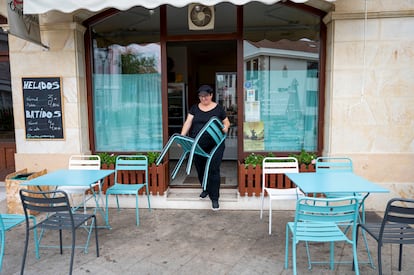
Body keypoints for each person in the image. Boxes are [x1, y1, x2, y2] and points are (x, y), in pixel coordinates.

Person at [180, 85, 230, 210]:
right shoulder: (194, 108)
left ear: (211, 95)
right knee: (201, 168)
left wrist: (226, 127)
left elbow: (227, 121)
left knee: (213, 169)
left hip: (216, 145)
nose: (203, 98)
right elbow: (188, 122)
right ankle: (205, 188)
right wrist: (182, 136)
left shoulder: (218, 109)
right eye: (201, 96)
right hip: (197, 144)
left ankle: (215, 198)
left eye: (206, 96)